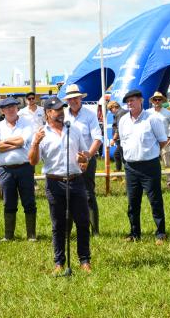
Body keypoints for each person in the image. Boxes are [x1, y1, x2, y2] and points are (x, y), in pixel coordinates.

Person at [29, 96, 92, 273]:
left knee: (82, 221)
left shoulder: (74, 130)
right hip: (55, 183)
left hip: (76, 181)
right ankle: (59, 262)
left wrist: (84, 159)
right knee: (58, 225)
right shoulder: (42, 134)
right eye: (57, 110)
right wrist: (35, 144)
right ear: (48, 113)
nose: (61, 113)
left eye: (62, 109)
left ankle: (84, 260)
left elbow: (84, 155)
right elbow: (33, 161)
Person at [119, 89, 168, 244]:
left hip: (149, 166)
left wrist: (148, 155)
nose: (129, 103)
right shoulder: (123, 121)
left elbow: (162, 142)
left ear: (141, 100)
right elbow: (123, 142)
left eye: (132, 100)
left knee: (155, 200)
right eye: (127, 101)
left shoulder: (152, 119)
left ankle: (160, 233)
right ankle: (134, 233)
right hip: (131, 167)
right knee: (132, 202)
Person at [0, 97, 37, 242]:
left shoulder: (27, 123)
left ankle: (31, 235)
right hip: (5, 170)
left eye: (13, 107)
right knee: (8, 203)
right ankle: (8, 236)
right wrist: (17, 143)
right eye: (7, 108)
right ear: (2, 111)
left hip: (25, 168)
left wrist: (3, 143)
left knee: (29, 201)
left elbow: (25, 140)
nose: (11, 109)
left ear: (17, 108)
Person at [63, 84, 103, 236]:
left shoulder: (89, 115)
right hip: (67, 160)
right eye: (70, 99)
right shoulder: (62, 115)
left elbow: (97, 138)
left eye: (76, 98)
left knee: (88, 194)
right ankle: (67, 232)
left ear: (81, 98)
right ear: (67, 100)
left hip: (87, 158)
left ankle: (95, 231)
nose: (73, 101)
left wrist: (86, 157)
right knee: (68, 195)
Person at [146, 91, 170, 189]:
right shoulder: (147, 112)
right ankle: (152, 182)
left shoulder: (168, 113)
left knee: (166, 163)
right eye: (155, 99)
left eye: (159, 99)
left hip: (164, 141)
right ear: (153, 101)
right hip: (151, 142)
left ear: (162, 101)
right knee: (151, 164)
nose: (157, 101)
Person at [107, 100, 127, 180]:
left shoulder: (120, 113)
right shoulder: (120, 113)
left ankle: (127, 177)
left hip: (121, 139)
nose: (111, 112)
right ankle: (119, 174)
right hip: (120, 139)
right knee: (117, 155)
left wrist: (114, 138)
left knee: (124, 158)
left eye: (110, 109)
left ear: (113, 107)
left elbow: (119, 127)